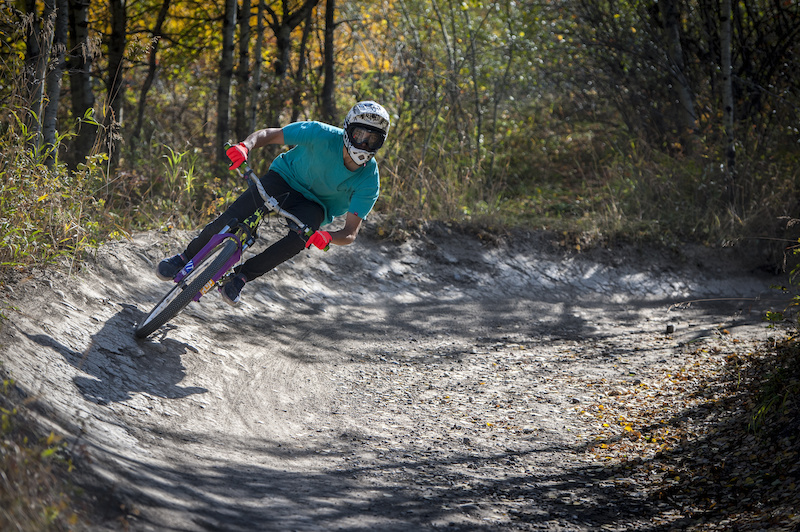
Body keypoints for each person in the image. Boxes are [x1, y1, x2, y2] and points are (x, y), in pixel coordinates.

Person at [156, 100, 391, 306]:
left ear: (381, 143)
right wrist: (245, 146)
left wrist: (328, 237)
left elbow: (350, 233)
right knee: (232, 216)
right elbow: (271, 134)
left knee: (299, 239)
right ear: (347, 130)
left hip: (315, 206)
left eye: (373, 140)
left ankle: (241, 277)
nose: (364, 144)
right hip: (284, 178)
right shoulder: (320, 133)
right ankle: (184, 258)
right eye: (360, 135)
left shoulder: (370, 180)